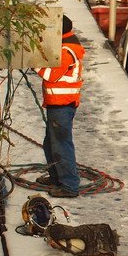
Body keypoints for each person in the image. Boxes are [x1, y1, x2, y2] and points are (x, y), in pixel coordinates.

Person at [37, 14, 85, 198]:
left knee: (61, 145)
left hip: (62, 105)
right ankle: (56, 177)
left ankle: (70, 185)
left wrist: (34, 61)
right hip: (58, 104)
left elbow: (50, 75)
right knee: (50, 143)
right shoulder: (66, 46)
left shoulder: (66, 51)